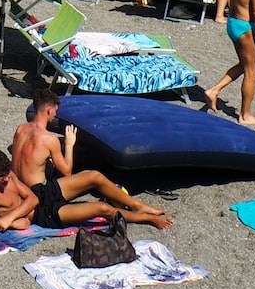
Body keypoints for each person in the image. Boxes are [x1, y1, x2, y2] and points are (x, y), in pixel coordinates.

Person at [10, 87, 172, 229]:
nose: (54, 116)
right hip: (41, 199)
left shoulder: (20, 130)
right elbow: (66, 172)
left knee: (94, 175)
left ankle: (137, 205)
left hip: (23, 190)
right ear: (48, 111)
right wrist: (69, 145)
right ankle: (145, 216)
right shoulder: (48, 139)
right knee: (101, 207)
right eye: (55, 112)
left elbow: (23, 163)